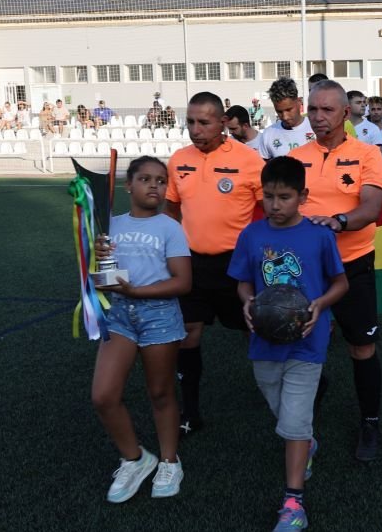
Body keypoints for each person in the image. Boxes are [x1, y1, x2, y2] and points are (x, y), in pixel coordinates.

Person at [228, 156, 348, 532]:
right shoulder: (251, 235)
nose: (275, 205)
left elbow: (340, 283)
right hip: (264, 343)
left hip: (307, 342)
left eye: (284, 197)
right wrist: (247, 301)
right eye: (269, 196)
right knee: (280, 407)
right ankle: (306, 443)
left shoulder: (319, 236)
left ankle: (293, 502)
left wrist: (320, 305)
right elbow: (243, 282)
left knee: (294, 420)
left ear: (303, 196)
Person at [289, 79, 382, 462]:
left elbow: (372, 207)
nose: (318, 117)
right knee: (301, 346)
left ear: (345, 113)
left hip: (352, 266)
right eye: (313, 109)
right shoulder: (296, 157)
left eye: (327, 109)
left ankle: (370, 422)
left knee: (361, 347)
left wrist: (339, 222)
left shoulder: (367, 154)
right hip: (306, 270)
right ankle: (307, 409)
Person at [165, 92, 266, 437]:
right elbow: (170, 208)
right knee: (188, 333)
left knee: (255, 329)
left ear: (222, 122)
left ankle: (282, 390)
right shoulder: (179, 160)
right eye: (190, 122)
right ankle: (190, 412)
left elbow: (270, 209)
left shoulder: (248, 159)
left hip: (237, 266)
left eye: (203, 122)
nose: (195, 129)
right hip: (192, 265)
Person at [92, 155, 192, 503]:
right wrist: (97, 260)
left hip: (159, 317)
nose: (155, 186)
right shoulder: (110, 224)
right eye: (146, 179)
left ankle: (169, 460)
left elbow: (183, 282)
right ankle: (135, 458)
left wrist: (137, 291)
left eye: (161, 181)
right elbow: (99, 275)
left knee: (161, 394)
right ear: (128, 185)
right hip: (119, 316)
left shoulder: (170, 227)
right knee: (103, 395)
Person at [259, 77, 316, 159]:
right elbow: (263, 165)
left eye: (289, 110)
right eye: (279, 112)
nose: (285, 117)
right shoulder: (268, 135)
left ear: (299, 102)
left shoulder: (316, 128)